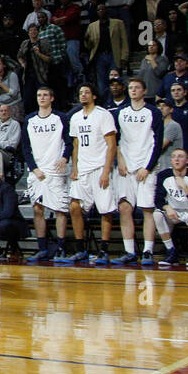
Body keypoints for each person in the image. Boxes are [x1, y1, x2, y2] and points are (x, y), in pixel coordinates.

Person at [60, 83, 118, 266]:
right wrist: (74, 167)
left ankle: (104, 250)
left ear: (94, 96)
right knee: (74, 207)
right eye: (80, 93)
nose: (83, 95)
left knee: (105, 209)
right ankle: (80, 249)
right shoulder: (76, 117)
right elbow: (76, 146)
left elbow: (112, 145)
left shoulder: (103, 115)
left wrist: (107, 171)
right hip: (83, 169)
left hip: (100, 168)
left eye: (86, 92)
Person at [110, 79, 164, 266]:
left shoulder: (154, 112)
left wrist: (147, 167)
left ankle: (147, 251)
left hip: (145, 168)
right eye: (131, 88)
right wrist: (121, 161)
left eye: (137, 88)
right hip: (125, 168)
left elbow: (157, 143)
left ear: (144, 91)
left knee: (147, 209)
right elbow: (115, 140)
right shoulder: (120, 113)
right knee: (125, 208)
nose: (133, 90)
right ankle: (129, 251)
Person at [21, 86, 72, 263]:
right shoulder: (29, 120)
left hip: (56, 170)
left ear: (51, 98)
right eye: (39, 95)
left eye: (45, 95)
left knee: (60, 210)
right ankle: (42, 248)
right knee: (37, 209)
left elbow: (70, 142)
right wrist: (34, 168)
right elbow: (25, 148)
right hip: (37, 171)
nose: (41, 98)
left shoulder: (61, 118)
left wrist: (65, 158)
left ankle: (60, 248)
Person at [152, 150, 188, 268]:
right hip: (173, 212)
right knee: (157, 214)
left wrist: (185, 187)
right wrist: (167, 207)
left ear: (187, 161)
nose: (176, 159)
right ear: (171, 161)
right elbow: (158, 199)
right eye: (174, 157)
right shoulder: (164, 175)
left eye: (180, 157)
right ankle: (171, 251)